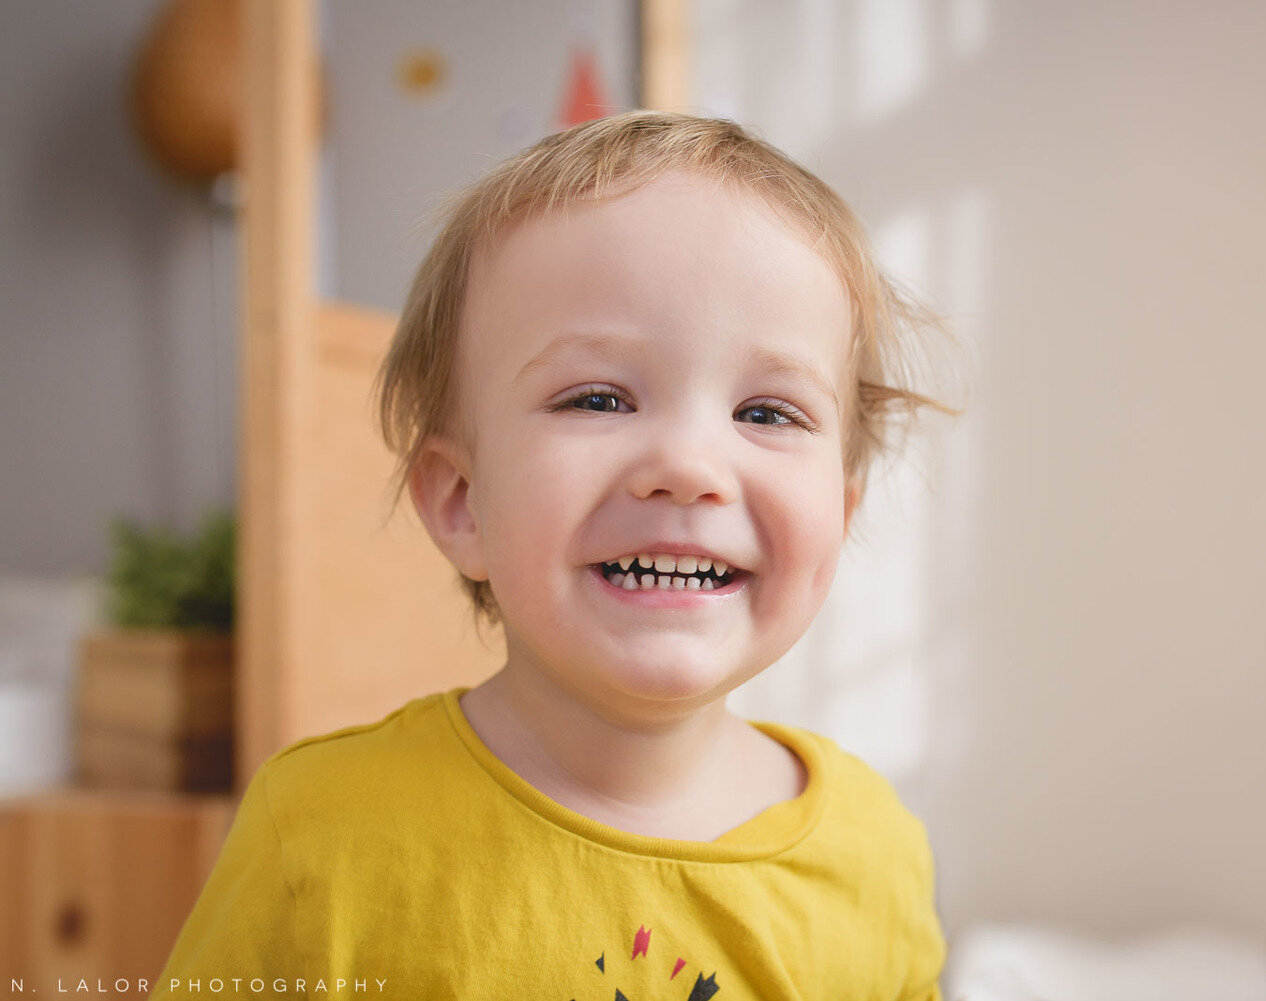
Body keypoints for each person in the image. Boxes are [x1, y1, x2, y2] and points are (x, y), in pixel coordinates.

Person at [150, 111, 955, 1000]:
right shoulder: (317, 833)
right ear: (462, 501)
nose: (687, 468)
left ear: (840, 515)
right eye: (598, 398)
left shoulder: (877, 850)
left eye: (767, 412)